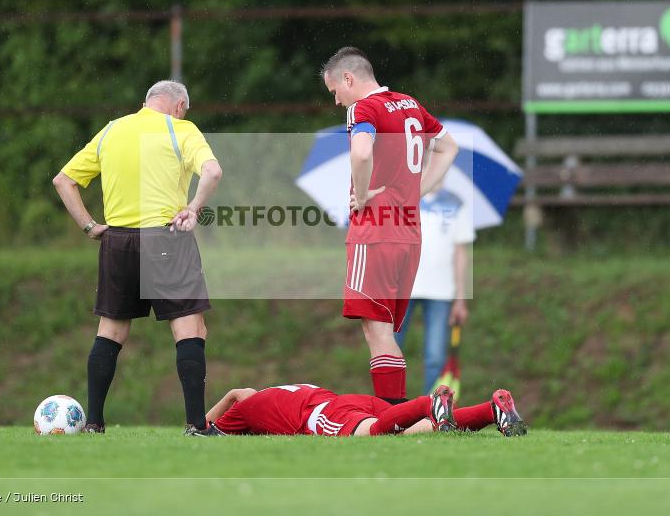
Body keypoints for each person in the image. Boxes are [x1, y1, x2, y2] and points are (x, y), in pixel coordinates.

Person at [53, 80, 224, 436]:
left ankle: (94, 423)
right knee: (190, 329)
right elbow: (213, 171)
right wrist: (193, 208)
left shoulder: (112, 130)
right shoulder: (181, 129)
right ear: (179, 107)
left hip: (117, 241)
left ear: (147, 102)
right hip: (167, 237)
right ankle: (196, 425)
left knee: (111, 331)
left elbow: (63, 180)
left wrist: (89, 226)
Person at [321, 47, 458, 404]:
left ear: (349, 79)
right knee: (384, 331)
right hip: (409, 233)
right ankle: (398, 414)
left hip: (375, 231)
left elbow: (362, 152)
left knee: (377, 331)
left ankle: (392, 418)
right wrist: (417, 191)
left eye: (335, 91)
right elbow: (448, 147)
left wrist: (363, 195)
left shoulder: (362, 108)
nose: (337, 102)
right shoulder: (410, 104)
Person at [206, 383, 527, 437]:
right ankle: (492, 410)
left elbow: (205, 427)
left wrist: (227, 397)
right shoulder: (279, 391)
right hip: (351, 401)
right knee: (419, 431)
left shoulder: (246, 409)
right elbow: (246, 391)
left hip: (324, 415)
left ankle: (427, 403)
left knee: (370, 435)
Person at [395, 181, 475, 396]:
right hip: (400, 289)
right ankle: (389, 406)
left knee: (435, 357)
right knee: (390, 352)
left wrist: (460, 299)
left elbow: (460, 252)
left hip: (441, 292)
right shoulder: (401, 198)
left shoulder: (456, 203)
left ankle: (430, 413)